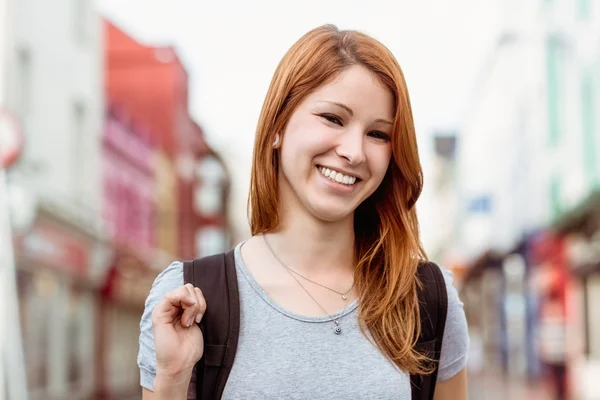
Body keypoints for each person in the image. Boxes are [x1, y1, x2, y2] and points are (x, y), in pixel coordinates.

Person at [138, 24, 469, 399]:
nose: (354, 152)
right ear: (278, 125)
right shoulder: (190, 299)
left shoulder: (426, 299)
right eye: (333, 118)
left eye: (378, 134)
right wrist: (173, 376)